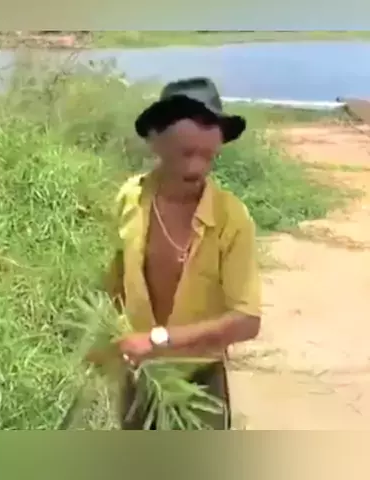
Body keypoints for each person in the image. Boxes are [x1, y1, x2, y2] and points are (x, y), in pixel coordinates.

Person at [97, 77, 261, 430]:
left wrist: (158, 341)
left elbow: (247, 320)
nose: (196, 168)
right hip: (139, 375)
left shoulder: (232, 218)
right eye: (185, 153)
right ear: (156, 141)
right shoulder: (130, 199)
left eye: (208, 156)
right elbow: (115, 282)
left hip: (199, 382)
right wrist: (101, 340)